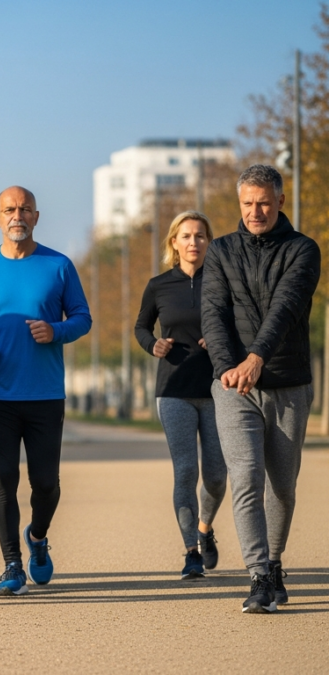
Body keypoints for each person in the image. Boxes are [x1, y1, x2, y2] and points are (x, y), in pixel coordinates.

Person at [0, 186, 91, 596]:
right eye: (10, 210)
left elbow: (82, 318)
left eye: (25, 209)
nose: (18, 216)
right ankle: (11, 564)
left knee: (46, 483)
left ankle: (38, 535)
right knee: (3, 480)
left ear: (36, 216)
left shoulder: (59, 266)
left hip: (45, 392)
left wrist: (57, 331)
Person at [201, 164, 320, 614]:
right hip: (234, 387)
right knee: (246, 475)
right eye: (248, 204)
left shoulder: (303, 250)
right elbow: (213, 313)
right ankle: (258, 576)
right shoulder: (221, 251)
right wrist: (227, 369)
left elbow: (287, 308)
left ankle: (274, 561)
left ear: (280, 202)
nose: (255, 211)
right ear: (239, 203)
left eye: (264, 203)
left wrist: (257, 359)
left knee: (283, 486)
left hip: (288, 384)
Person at [135, 211, 226, 580]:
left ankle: (205, 527)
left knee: (218, 475)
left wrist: (223, 340)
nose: (193, 242)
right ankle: (190, 551)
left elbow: (239, 324)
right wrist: (152, 344)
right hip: (173, 389)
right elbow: (141, 326)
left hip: (218, 387)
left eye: (200, 236)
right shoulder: (159, 285)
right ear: (174, 241)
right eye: (186, 236)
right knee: (186, 471)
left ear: (208, 241)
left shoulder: (223, 281)